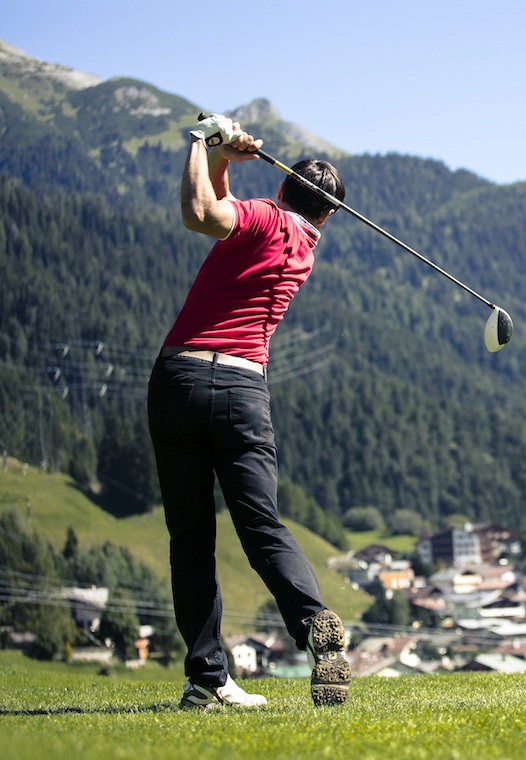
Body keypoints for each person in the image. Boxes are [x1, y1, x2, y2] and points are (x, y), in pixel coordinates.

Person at [148, 114, 350, 709]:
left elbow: (200, 214)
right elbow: (226, 209)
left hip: (180, 377)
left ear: (281, 190)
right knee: (262, 526)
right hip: (242, 391)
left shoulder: (263, 216)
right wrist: (225, 161)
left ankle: (206, 678)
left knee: (190, 538)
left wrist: (200, 143)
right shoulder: (304, 244)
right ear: (328, 216)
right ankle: (314, 624)